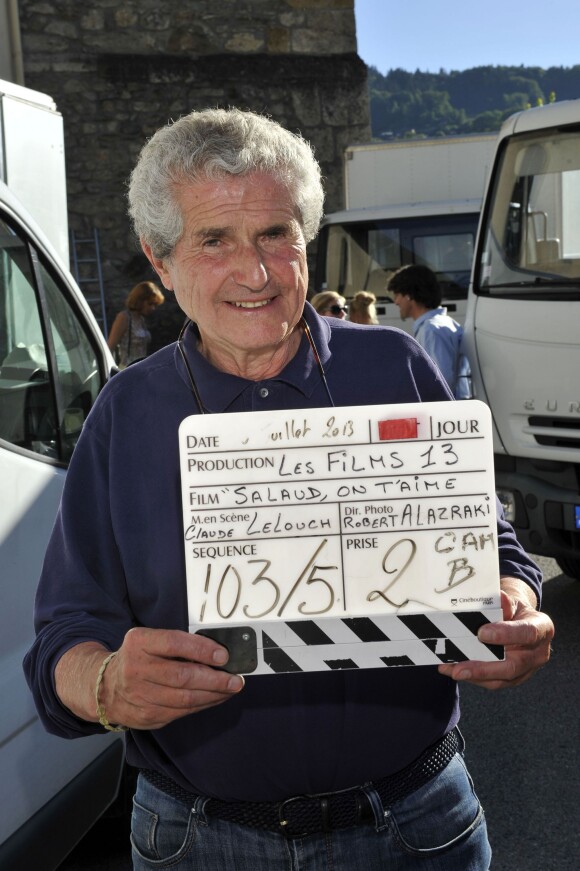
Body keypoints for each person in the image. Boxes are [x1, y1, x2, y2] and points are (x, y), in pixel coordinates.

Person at [24, 108, 553, 871]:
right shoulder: (126, 415)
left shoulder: (396, 370)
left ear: (306, 237)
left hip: (416, 821)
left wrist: (517, 602)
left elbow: (491, 542)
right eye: (214, 240)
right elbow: (63, 637)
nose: (257, 271)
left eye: (276, 233)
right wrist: (105, 683)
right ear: (159, 258)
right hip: (199, 839)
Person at [388, 264, 470, 398]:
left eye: (397, 295)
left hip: (443, 415)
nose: (396, 302)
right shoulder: (444, 322)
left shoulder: (430, 330)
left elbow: (441, 382)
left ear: (409, 295)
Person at [107, 280, 164, 367]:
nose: (153, 308)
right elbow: (110, 347)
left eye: (155, 305)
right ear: (140, 300)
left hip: (142, 368)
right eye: (150, 304)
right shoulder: (124, 317)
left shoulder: (141, 319)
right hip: (127, 369)